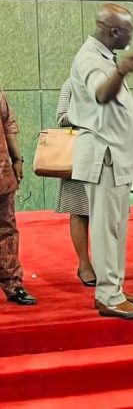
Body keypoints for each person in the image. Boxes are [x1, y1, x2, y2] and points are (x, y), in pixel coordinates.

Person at [68, 3, 133, 319]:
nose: (131, 36)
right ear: (114, 31)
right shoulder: (90, 58)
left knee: (116, 227)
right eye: (128, 30)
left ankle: (114, 289)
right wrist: (120, 71)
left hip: (115, 157)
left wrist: (118, 68)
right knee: (106, 229)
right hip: (104, 157)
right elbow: (101, 95)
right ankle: (108, 296)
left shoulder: (103, 56)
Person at [55, 78, 95, 286]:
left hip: (109, 153)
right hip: (79, 154)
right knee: (79, 211)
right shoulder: (71, 84)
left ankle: (106, 265)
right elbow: (61, 117)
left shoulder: (113, 83)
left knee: (108, 214)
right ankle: (84, 265)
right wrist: (88, 114)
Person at [0, 89, 36, 306]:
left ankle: (13, 284)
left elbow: (7, 124)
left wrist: (17, 159)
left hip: (2, 172)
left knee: (7, 228)